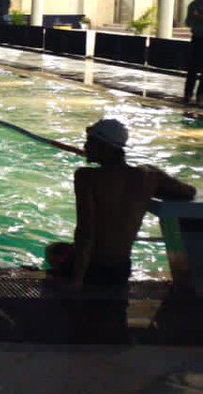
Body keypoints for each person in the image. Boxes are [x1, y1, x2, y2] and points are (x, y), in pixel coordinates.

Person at [46, 119, 195, 290]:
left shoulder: (87, 177)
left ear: (105, 147)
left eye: (90, 142)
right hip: (121, 270)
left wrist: (77, 279)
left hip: (92, 269)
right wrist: (147, 192)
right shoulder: (149, 176)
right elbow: (188, 191)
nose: (85, 146)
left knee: (54, 250)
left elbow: (85, 231)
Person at [184, 0, 203, 105]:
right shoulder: (195, 4)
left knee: (193, 68)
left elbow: (189, 21)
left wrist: (198, 17)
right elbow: (189, 21)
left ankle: (190, 95)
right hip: (198, 38)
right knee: (193, 68)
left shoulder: (194, 5)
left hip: (197, 38)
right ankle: (197, 96)